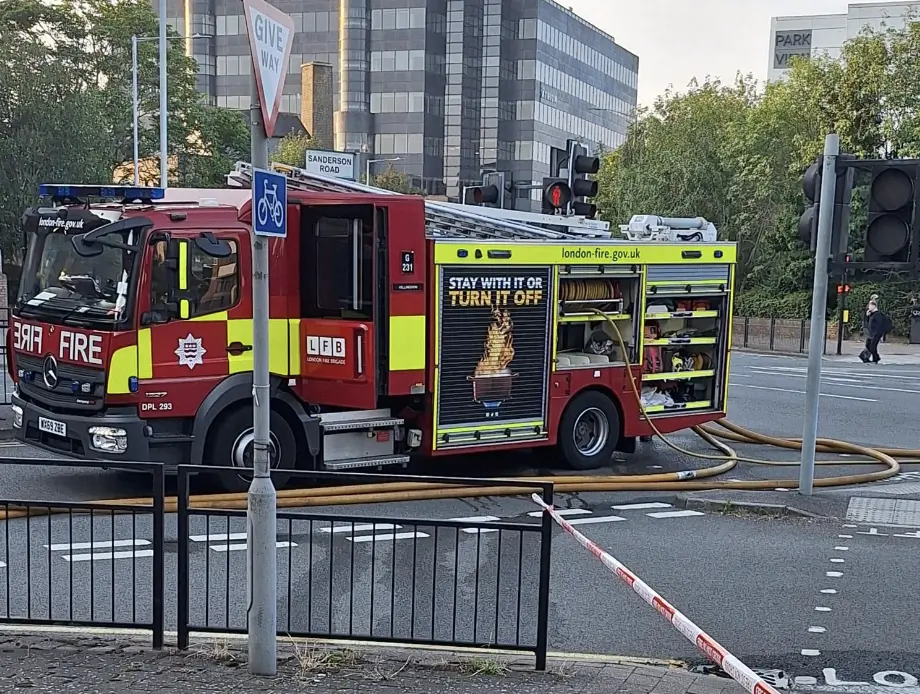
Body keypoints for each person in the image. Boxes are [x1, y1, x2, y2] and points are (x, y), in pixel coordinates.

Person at [861, 298, 892, 364]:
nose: (868, 307)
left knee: (872, 347)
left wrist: (877, 333)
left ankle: (876, 358)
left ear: (873, 306)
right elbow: (867, 323)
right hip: (871, 333)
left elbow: (879, 325)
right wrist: (867, 316)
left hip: (876, 333)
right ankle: (869, 358)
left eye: (870, 305)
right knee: (868, 345)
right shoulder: (871, 314)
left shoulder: (878, 315)